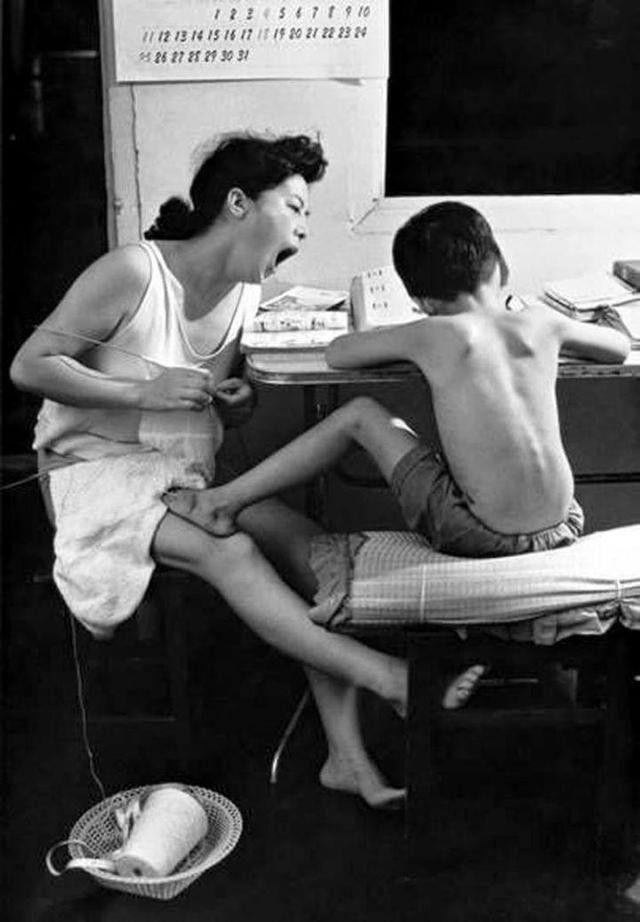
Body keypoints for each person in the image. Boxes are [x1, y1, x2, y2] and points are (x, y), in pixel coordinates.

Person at [10, 132, 408, 809]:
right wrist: (145, 391)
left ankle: (346, 759)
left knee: (311, 548)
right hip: (88, 471)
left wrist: (236, 404)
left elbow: (201, 405)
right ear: (237, 203)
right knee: (233, 551)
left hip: (177, 471)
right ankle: (389, 677)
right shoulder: (133, 273)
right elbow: (28, 365)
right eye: (294, 207)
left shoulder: (246, 294)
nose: (303, 229)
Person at [161, 201, 631, 706]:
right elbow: (618, 348)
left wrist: (397, 332)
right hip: (561, 526)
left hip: (478, 534)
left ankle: (223, 501)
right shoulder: (541, 324)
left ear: (422, 300)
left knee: (360, 414)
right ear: (499, 266)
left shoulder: (432, 332)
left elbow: (338, 353)